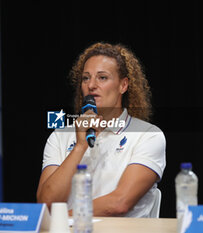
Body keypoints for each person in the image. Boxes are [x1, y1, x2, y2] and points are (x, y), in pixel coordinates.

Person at [36, 42, 166, 217]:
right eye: (86, 78)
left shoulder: (148, 135)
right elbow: (46, 203)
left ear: (123, 85)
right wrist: (79, 147)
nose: (91, 85)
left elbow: (119, 203)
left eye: (102, 77)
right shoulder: (60, 136)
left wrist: (65, 218)